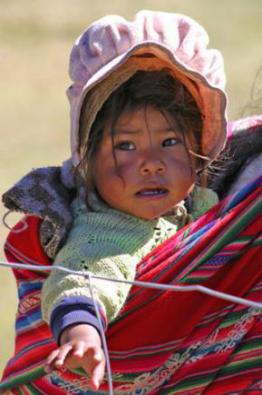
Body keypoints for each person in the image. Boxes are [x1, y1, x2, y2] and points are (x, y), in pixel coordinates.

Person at [1, 10, 261, 394]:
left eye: (170, 142)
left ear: (199, 150)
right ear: (88, 160)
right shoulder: (108, 228)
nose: (151, 163)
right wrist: (83, 335)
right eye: (125, 146)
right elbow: (82, 279)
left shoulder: (207, 200)